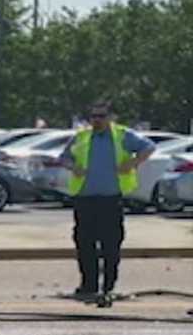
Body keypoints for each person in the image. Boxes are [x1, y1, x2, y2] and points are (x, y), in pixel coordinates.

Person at [59, 100, 155, 299]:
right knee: (85, 244)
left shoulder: (121, 136)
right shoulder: (82, 136)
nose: (97, 120)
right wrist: (72, 166)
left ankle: (108, 286)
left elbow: (149, 147)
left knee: (111, 244)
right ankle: (89, 285)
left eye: (101, 116)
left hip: (110, 200)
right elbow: (63, 157)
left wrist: (132, 162)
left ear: (110, 118)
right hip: (85, 199)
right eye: (93, 116)